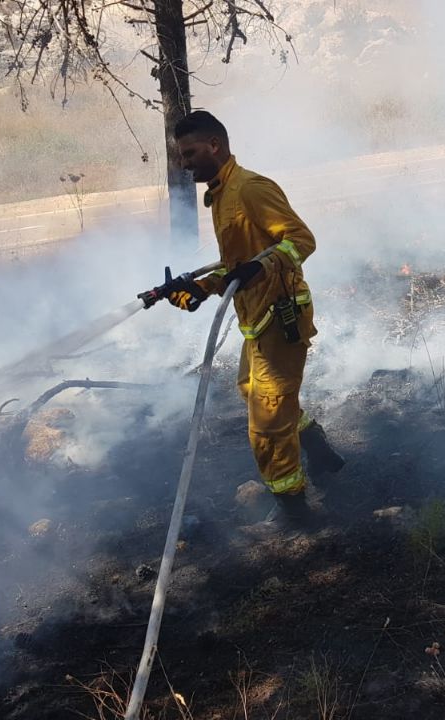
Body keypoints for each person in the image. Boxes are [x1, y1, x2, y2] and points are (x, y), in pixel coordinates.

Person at [164, 110, 345, 524]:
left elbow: (301, 240)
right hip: (259, 318)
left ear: (214, 145)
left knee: (267, 422)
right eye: (181, 156)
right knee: (252, 390)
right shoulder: (221, 193)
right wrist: (200, 288)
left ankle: (293, 507)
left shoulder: (249, 189)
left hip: (280, 318)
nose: (185, 163)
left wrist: (260, 268)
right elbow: (238, 264)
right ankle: (321, 455)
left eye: (190, 153)